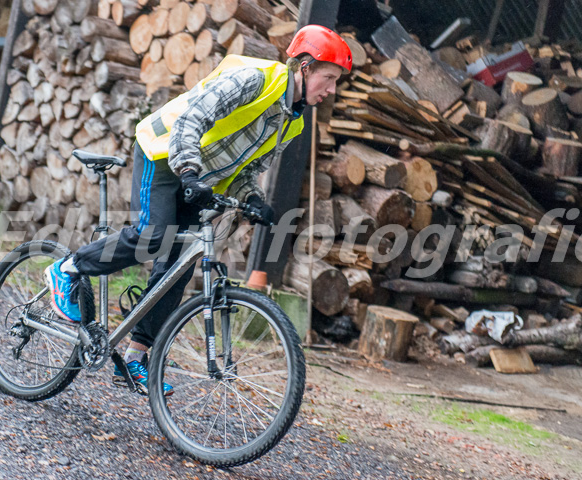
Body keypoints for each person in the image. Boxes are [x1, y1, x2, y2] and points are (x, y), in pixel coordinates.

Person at [44, 25, 352, 395]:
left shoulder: (293, 121)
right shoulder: (255, 80)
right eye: (329, 78)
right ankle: (67, 268)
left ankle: (136, 357)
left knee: (177, 268)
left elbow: (247, 169)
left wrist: (251, 197)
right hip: (164, 152)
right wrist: (188, 171)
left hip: (198, 177)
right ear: (304, 67)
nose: (331, 89)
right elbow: (191, 118)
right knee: (153, 238)